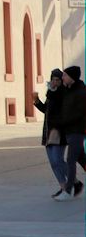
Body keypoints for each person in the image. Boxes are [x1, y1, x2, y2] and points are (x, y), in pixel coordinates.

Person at [34, 69, 70, 198]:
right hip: (48, 132)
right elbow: (46, 111)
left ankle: (74, 181)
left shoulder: (62, 94)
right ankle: (63, 187)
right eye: (53, 79)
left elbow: (61, 112)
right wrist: (37, 102)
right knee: (53, 163)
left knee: (58, 160)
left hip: (59, 133)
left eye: (57, 80)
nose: (55, 82)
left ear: (61, 81)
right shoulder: (51, 93)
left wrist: (52, 92)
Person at [59, 65, 86, 198]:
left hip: (78, 130)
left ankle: (68, 191)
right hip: (69, 130)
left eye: (65, 75)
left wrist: (64, 121)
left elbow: (79, 113)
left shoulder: (81, 92)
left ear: (72, 77)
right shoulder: (67, 90)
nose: (62, 77)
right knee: (82, 158)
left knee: (70, 160)